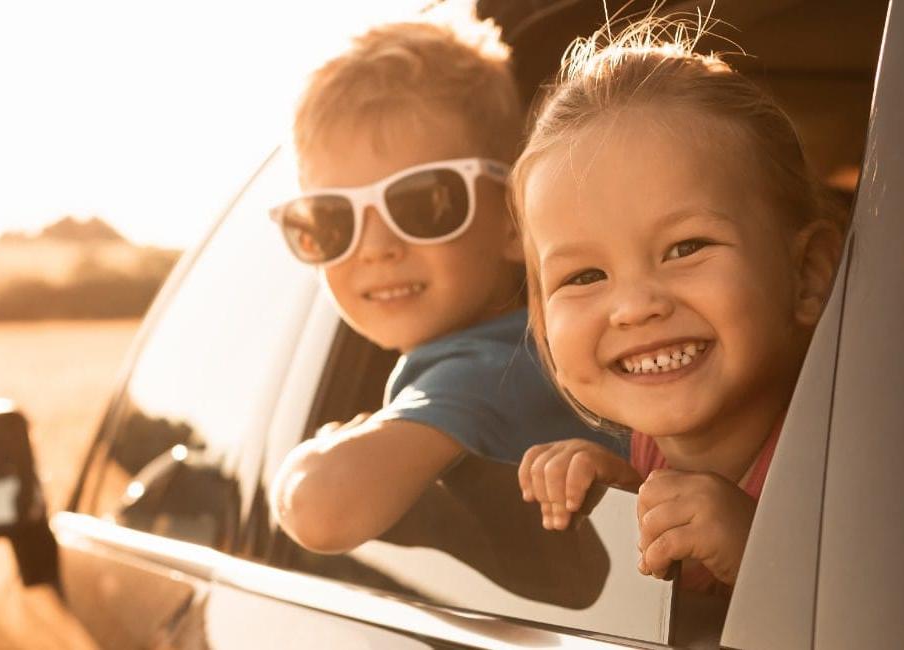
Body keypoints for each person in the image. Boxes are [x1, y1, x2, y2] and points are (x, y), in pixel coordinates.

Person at [267, 5, 624, 555]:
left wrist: (307, 455)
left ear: (514, 218)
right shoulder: (514, 357)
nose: (376, 247)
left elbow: (325, 510)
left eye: (423, 203)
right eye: (332, 220)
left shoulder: (487, 368)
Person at [512, 15, 847, 596]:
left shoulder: (858, 463)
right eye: (585, 275)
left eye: (685, 247)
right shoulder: (645, 451)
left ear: (808, 274)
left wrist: (763, 561)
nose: (635, 306)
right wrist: (621, 498)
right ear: (542, 326)